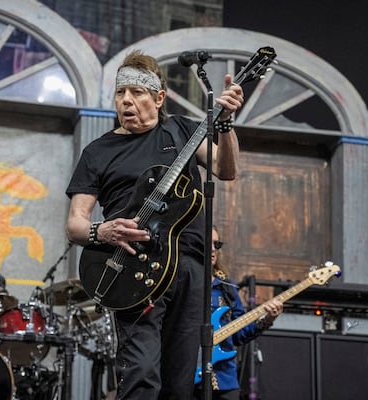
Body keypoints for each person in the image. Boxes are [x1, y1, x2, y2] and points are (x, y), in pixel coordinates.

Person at [65, 49, 243, 399]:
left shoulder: (182, 132)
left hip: (189, 267)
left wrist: (226, 125)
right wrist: (102, 231)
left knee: (180, 381)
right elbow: (74, 223)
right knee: (141, 373)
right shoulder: (98, 152)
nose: (126, 101)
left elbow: (226, 170)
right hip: (132, 268)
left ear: (159, 98)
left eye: (137, 92)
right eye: (121, 93)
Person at [198, 226, 283, 400]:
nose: (213, 249)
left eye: (217, 244)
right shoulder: (184, 284)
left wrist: (267, 319)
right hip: (188, 375)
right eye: (209, 243)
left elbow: (238, 335)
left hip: (224, 379)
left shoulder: (227, 289)